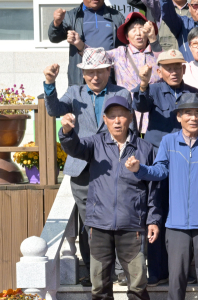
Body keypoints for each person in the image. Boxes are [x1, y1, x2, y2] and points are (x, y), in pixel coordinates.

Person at [125, 93, 198, 300]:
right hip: (176, 225)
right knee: (176, 280)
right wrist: (140, 169)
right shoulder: (168, 142)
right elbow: (160, 171)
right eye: (188, 113)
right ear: (178, 117)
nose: (193, 118)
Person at [43, 49, 133, 285]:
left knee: (117, 217)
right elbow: (53, 110)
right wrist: (49, 83)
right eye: (90, 72)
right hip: (81, 167)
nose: (95, 77)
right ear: (83, 74)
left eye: (100, 72)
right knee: (89, 222)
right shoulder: (75, 92)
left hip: (112, 166)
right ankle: (96, 272)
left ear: (108, 71)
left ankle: (120, 270)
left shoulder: (121, 93)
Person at [58, 96, 159, 300]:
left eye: (122, 115)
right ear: (105, 119)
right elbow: (74, 147)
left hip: (132, 226)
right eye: (112, 116)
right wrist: (67, 132)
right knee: (99, 287)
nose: (117, 121)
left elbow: (153, 187)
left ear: (130, 117)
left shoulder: (145, 149)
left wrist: (153, 220)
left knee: (138, 287)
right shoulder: (95, 144)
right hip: (100, 226)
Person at [132, 49, 198, 286]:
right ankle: (158, 271)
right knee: (157, 211)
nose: (173, 71)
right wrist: (142, 83)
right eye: (168, 67)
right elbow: (140, 106)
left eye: (177, 67)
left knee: (186, 212)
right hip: (158, 157)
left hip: (188, 156)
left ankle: (184, 270)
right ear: (159, 70)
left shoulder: (193, 93)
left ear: (184, 69)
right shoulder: (151, 89)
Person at [68, 13, 163, 134]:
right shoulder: (120, 53)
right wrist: (79, 43)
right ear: (127, 36)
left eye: (141, 29)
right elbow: (96, 56)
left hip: (155, 116)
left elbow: (166, 65)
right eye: (133, 29)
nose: (138, 33)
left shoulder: (157, 52)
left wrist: (153, 39)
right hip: (127, 114)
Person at [49, 0, 125, 86]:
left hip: (110, 80)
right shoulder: (72, 16)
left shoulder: (116, 16)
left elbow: (125, 48)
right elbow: (54, 37)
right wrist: (57, 23)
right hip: (82, 81)